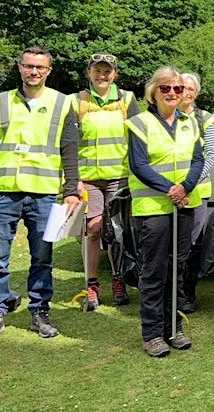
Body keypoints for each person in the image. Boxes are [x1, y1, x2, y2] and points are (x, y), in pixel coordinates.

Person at [0, 45, 81, 346]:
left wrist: (72, 189)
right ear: (19, 67)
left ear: (48, 71)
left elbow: (70, 149)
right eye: (28, 66)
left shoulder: (62, 103)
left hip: (44, 193)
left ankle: (40, 312)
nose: (34, 71)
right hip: (3, 193)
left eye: (40, 67)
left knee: (43, 258)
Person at [126, 67, 204, 357]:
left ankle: (174, 328)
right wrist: (170, 188)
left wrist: (185, 186)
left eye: (178, 89)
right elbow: (139, 164)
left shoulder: (191, 123)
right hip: (153, 208)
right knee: (155, 270)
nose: (173, 93)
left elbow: (198, 160)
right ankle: (152, 333)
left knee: (178, 268)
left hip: (184, 204)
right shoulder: (139, 123)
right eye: (166, 88)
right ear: (153, 92)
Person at [71, 53, 140, 310]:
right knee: (94, 230)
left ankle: (118, 279)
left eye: (107, 71)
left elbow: (138, 139)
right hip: (88, 179)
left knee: (116, 231)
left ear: (115, 74)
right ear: (89, 72)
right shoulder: (76, 102)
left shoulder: (127, 100)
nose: (102, 76)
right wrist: (72, 179)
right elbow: (68, 143)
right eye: (97, 71)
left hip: (118, 176)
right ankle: (91, 285)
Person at [177, 72, 214, 314]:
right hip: (167, 193)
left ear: (197, 92)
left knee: (192, 246)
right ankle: (170, 292)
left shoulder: (205, 119)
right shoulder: (166, 116)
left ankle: (187, 294)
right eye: (182, 87)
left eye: (192, 88)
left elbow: (211, 155)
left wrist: (187, 185)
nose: (187, 92)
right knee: (172, 247)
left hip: (196, 193)